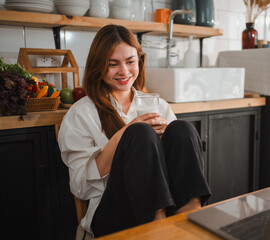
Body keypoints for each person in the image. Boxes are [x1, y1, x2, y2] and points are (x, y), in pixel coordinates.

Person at [58, 24, 211, 239]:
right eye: (113, 64)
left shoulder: (158, 105)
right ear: (98, 66)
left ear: (139, 61)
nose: (124, 71)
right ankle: (158, 228)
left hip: (170, 209)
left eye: (130, 62)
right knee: (139, 133)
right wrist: (123, 135)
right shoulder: (81, 113)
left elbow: (178, 171)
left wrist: (162, 147)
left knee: (182, 129)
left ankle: (191, 217)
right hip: (112, 215)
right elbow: (80, 188)